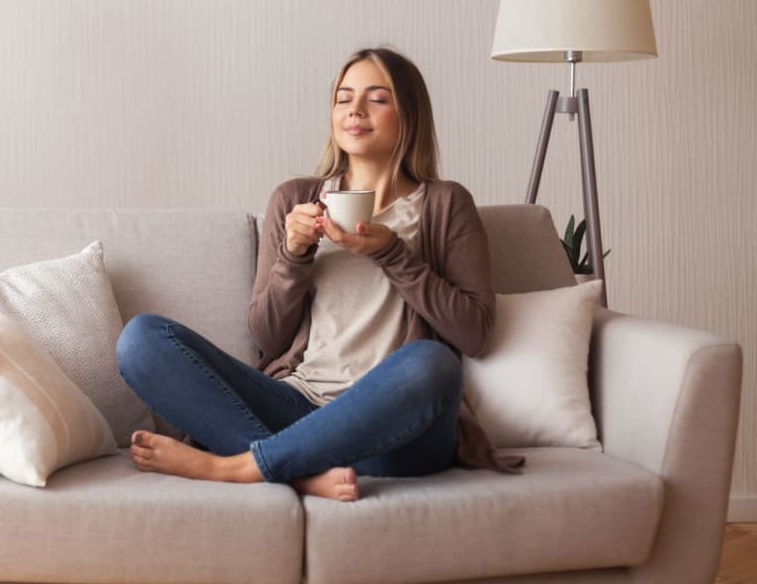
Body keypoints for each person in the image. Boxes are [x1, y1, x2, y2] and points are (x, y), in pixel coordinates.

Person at [115, 47, 521, 503]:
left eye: (377, 98)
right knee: (142, 338)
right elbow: (268, 337)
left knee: (432, 363)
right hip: (298, 410)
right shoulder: (295, 200)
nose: (355, 110)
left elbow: (475, 333)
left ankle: (236, 466)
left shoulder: (446, 204)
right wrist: (294, 254)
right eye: (344, 98)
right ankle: (299, 473)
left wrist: (392, 252)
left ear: (410, 113)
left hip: (395, 434)